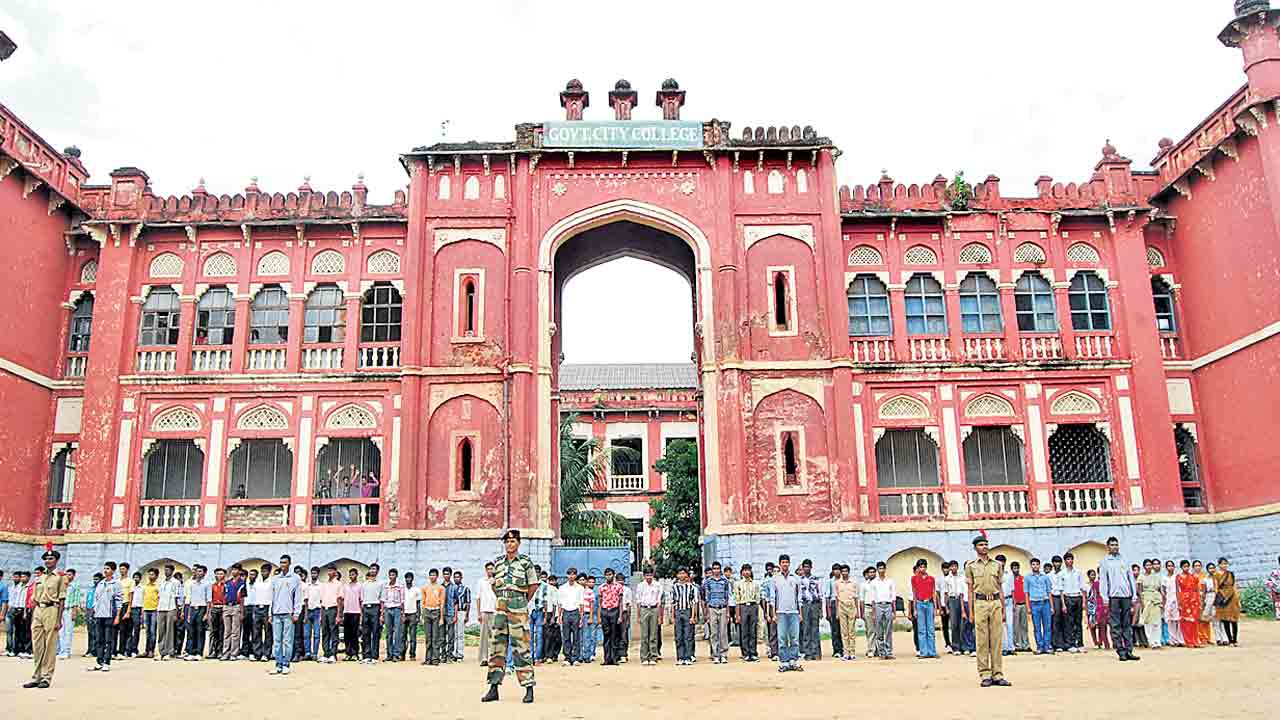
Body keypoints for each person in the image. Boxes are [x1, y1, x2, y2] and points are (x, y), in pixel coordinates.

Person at [481, 528, 539, 705]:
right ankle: (493, 687)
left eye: (512, 541)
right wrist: (502, 599)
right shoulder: (498, 563)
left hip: (518, 607)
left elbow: (533, 586)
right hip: (500, 608)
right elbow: (494, 586)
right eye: (506, 542)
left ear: (518, 543)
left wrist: (520, 601)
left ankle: (528, 687)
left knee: (521, 647)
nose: (509, 544)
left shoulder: (525, 562)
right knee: (497, 646)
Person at [966, 535, 1010, 688]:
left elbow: (1001, 587)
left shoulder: (997, 565)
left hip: (995, 602)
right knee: (982, 641)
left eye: (986, 544)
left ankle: (998, 674)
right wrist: (970, 612)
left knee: (997, 640)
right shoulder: (971, 566)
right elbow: (970, 590)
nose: (984, 547)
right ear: (975, 548)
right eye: (981, 545)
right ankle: (985, 674)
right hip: (980, 603)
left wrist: (1003, 608)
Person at [24, 550, 69, 689]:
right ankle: (36, 676)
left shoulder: (60, 577)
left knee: (49, 645)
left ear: (56, 561)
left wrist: (58, 619)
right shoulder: (40, 578)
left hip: (52, 609)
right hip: (38, 610)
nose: (48, 561)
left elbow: (62, 599)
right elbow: (34, 598)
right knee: (37, 645)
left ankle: (46, 677)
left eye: (51, 558)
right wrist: (33, 614)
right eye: (46, 559)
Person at [1097, 536, 1139, 661]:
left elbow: (1130, 578)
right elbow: (1103, 581)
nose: (1115, 547)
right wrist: (1104, 597)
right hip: (1113, 597)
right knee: (1115, 624)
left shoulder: (1125, 560)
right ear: (1108, 547)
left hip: (1126, 595)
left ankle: (1129, 650)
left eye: (1116, 544)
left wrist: (1134, 595)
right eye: (1112, 545)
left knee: (1127, 624)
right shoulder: (1105, 562)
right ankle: (1120, 650)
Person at [269, 555, 303, 675]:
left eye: (285, 562)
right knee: (277, 640)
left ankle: (286, 664)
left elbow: (298, 597)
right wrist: (270, 613)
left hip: (288, 613)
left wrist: (297, 613)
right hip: (276, 614)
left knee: (287, 641)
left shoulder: (295, 578)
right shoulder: (275, 579)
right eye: (281, 562)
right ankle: (278, 665)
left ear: (289, 564)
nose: (282, 565)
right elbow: (271, 597)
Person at [87, 562, 123, 673]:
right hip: (99, 615)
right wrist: (93, 611)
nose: (105, 570)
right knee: (99, 639)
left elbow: (119, 601)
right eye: (104, 568)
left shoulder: (116, 584)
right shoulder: (101, 583)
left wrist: (117, 616)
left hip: (109, 615)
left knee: (108, 640)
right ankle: (99, 661)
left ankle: (107, 662)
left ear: (113, 570)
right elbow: (96, 599)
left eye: (108, 569)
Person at [769, 554, 803, 673]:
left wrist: (800, 613)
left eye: (786, 562)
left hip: (794, 612)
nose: (785, 564)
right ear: (779, 564)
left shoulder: (795, 578)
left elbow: (799, 597)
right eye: (782, 562)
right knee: (782, 638)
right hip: (780, 612)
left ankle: (793, 660)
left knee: (794, 638)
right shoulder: (775, 579)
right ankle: (784, 662)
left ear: (789, 563)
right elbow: (772, 598)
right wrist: (773, 614)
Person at [701, 561, 732, 664]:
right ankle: (715, 655)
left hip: (722, 608)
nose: (716, 571)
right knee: (714, 633)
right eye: (714, 569)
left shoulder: (725, 581)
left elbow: (727, 597)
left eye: (718, 568)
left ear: (720, 569)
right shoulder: (708, 582)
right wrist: (706, 613)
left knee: (723, 632)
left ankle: (723, 654)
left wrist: (728, 612)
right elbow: (706, 597)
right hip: (712, 608)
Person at [908, 558, 939, 659]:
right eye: (920, 567)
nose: (922, 569)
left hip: (929, 603)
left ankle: (932, 651)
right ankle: (923, 652)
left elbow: (934, 593)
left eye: (924, 567)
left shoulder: (931, 578)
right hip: (920, 603)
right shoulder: (914, 578)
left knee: (930, 629)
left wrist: (935, 607)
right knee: (921, 630)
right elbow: (914, 594)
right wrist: (915, 609)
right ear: (918, 568)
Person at [632, 566, 661, 665]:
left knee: (653, 634)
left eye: (650, 575)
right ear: (644, 576)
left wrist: (660, 616)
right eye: (647, 575)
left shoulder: (657, 585)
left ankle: (653, 656)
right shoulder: (640, 586)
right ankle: (644, 657)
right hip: (644, 609)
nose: (649, 577)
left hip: (654, 609)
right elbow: (638, 601)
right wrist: (639, 615)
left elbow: (659, 601)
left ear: (653, 575)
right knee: (644, 635)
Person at [867, 561, 896, 660]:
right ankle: (881, 652)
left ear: (885, 569)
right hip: (878, 606)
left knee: (888, 630)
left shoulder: (890, 581)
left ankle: (889, 652)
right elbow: (873, 598)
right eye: (879, 569)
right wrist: (874, 613)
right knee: (879, 630)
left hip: (888, 605)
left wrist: (894, 611)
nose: (881, 570)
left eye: (883, 568)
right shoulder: (874, 582)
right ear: (877, 570)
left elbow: (893, 596)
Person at [1058, 552, 1086, 653]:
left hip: (1077, 597)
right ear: (1065, 561)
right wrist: (1063, 604)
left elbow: (1083, 587)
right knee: (1069, 623)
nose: (1070, 561)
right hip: (1067, 597)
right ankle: (1070, 644)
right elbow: (1061, 590)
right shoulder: (1062, 574)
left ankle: (1080, 644)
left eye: (1071, 559)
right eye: (1068, 559)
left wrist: (1083, 602)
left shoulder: (1078, 572)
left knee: (1078, 622)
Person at [733, 563, 760, 662]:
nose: (746, 572)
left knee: (753, 630)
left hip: (753, 606)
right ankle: (745, 653)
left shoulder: (756, 584)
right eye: (744, 570)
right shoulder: (738, 584)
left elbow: (758, 599)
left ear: (751, 571)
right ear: (742, 572)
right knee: (744, 631)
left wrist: (757, 611)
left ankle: (753, 653)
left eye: (748, 570)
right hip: (743, 606)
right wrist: (737, 615)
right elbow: (737, 600)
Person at [1025, 559, 1052, 654]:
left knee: (1047, 627)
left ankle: (1047, 646)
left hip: (1045, 603)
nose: (1035, 566)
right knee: (1037, 627)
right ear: (1031, 566)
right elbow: (1026, 593)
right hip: (1034, 604)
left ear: (1039, 566)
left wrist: (1051, 606)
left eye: (1037, 564)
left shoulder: (1045, 577)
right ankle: (1039, 646)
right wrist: (1028, 607)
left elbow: (1049, 592)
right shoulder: (1027, 578)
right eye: (1033, 564)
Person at [557, 567, 583, 667]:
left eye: (573, 574)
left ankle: (575, 658)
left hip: (575, 612)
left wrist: (581, 617)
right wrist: (559, 616)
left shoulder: (580, 588)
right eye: (569, 574)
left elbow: (581, 603)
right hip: (566, 613)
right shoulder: (562, 588)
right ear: (567, 575)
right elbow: (560, 603)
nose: (571, 576)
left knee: (576, 636)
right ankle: (567, 658)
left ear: (576, 576)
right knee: (566, 636)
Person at [597, 569, 624, 666]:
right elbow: (599, 603)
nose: (609, 576)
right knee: (606, 635)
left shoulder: (618, 587)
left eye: (610, 574)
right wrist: (599, 616)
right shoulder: (601, 587)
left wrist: (620, 615)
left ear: (613, 575)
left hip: (614, 610)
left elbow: (621, 602)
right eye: (607, 575)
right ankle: (606, 658)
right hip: (605, 611)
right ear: (604, 576)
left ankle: (614, 658)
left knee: (614, 635)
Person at [797, 559, 822, 661]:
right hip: (805, 605)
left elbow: (820, 594)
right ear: (802, 568)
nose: (806, 568)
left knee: (815, 629)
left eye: (808, 566)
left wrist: (821, 610)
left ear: (811, 567)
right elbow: (798, 596)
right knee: (806, 628)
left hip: (814, 604)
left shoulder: (815, 579)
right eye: (805, 567)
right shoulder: (799, 580)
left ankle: (816, 653)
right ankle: (807, 653)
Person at [184, 564, 210, 660]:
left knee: (200, 631)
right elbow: (189, 599)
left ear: (204, 573)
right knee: (191, 631)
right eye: (197, 571)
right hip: (192, 608)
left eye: (200, 571)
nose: (198, 573)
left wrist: (207, 614)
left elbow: (209, 600)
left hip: (202, 608)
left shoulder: (207, 584)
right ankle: (191, 652)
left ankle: (199, 653)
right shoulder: (192, 584)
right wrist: (189, 614)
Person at [834, 564, 860, 660]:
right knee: (844, 631)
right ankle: (846, 653)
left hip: (851, 606)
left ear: (848, 572)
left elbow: (856, 597)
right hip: (841, 606)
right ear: (841, 572)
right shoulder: (837, 583)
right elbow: (836, 598)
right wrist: (837, 611)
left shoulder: (853, 582)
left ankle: (852, 652)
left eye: (846, 571)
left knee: (851, 631)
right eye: (843, 571)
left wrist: (857, 610)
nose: (844, 573)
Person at [220, 566, 246, 660]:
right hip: (227, 606)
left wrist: (242, 612)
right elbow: (224, 595)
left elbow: (242, 598)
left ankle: (233, 654)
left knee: (235, 632)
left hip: (236, 606)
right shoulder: (227, 583)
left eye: (236, 570)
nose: (233, 571)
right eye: (233, 570)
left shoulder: (242, 583)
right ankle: (225, 653)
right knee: (227, 631)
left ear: (239, 571)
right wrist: (224, 606)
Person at [1138, 559, 1164, 650]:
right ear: (1144, 566)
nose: (1149, 567)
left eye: (1150, 565)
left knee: (1157, 622)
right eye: (1147, 565)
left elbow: (1160, 589)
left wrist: (1162, 601)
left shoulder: (1156, 576)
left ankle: (1158, 642)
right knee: (1148, 621)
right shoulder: (1141, 577)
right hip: (1146, 599)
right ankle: (1151, 642)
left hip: (1156, 599)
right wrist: (1142, 603)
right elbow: (1139, 590)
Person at [359, 568, 384, 663]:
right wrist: (362, 613)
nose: (372, 571)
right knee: (365, 632)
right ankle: (366, 655)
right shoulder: (364, 584)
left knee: (375, 632)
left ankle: (374, 656)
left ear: (377, 572)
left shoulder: (380, 583)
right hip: (366, 608)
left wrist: (381, 614)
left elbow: (382, 600)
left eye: (374, 569)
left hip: (375, 607)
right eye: (371, 569)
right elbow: (361, 599)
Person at [1214, 557, 1240, 646]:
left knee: (1234, 619)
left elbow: (1234, 585)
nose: (1224, 565)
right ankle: (1229, 639)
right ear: (1219, 565)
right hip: (1222, 598)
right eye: (1222, 564)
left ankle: (1235, 639)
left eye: (1225, 563)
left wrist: (1237, 598)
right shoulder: (1216, 575)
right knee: (1225, 619)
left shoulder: (1231, 574)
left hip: (1232, 597)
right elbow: (1216, 587)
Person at [477, 562, 496, 666]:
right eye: (488, 569)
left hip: (495, 611)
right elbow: (478, 598)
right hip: (484, 611)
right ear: (485, 570)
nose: (490, 571)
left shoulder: (497, 581)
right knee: (484, 637)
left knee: (494, 636)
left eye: (492, 569)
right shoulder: (481, 582)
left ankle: (493, 658)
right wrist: (479, 613)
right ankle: (484, 658)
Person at [1008, 562, 1031, 653]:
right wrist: (1013, 603)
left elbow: (1026, 592)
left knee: (1024, 625)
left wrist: (1028, 604)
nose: (1016, 570)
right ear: (1011, 569)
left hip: (1024, 604)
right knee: (1016, 626)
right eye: (1014, 568)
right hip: (1015, 605)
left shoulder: (1023, 579)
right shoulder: (1010, 579)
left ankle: (1026, 645)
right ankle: (1017, 645)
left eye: (1017, 568)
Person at [1086, 569, 1110, 650]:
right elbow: (1092, 597)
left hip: (1104, 606)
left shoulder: (1107, 583)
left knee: (1103, 626)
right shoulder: (1097, 584)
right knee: (1097, 625)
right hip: (1097, 607)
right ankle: (1100, 643)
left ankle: (1103, 643)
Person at [57, 568, 78, 659]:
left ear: (73, 576)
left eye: (70, 575)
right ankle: (61, 650)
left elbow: (76, 599)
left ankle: (67, 651)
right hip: (61, 610)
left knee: (68, 632)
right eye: (66, 574)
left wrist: (74, 611)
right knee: (60, 631)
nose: (68, 576)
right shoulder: (62, 585)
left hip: (69, 609)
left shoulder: (75, 586)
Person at [1161, 560, 1182, 646]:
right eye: (1168, 566)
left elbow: (1179, 589)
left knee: (1178, 621)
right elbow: (1163, 591)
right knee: (1170, 621)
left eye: (1172, 566)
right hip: (1168, 600)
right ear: (1166, 568)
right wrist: (1164, 602)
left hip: (1177, 599)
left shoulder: (1177, 577)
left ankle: (1180, 640)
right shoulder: (1164, 578)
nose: (1170, 567)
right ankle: (1172, 640)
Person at [451, 570, 471, 662]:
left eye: (458, 577)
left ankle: (460, 654)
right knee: (453, 634)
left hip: (461, 612)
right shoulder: (452, 588)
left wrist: (467, 615)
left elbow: (468, 603)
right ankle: (453, 653)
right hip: (452, 613)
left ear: (461, 578)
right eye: (455, 577)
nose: (456, 579)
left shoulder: (465, 589)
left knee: (460, 634)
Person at [1265, 556, 1280, 622]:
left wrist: (1272, 586)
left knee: (1277, 603)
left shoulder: (1274, 572)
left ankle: (1278, 615)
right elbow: (1268, 581)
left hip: (1275, 590)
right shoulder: (1275, 572)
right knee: (1277, 603)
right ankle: (1278, 615)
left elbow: (1268, 581)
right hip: (1276, 591)